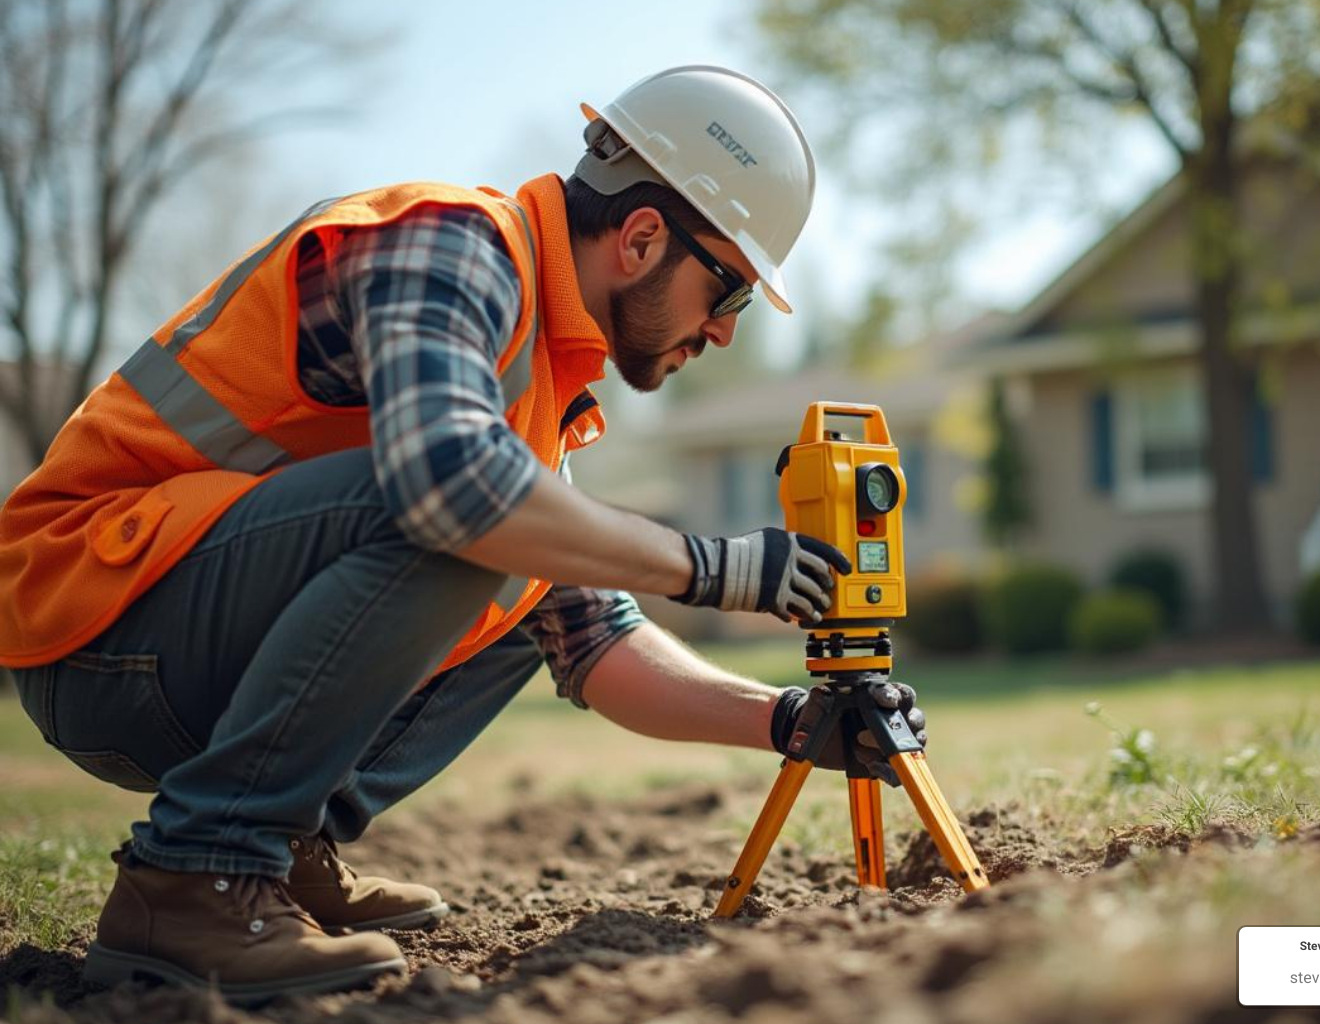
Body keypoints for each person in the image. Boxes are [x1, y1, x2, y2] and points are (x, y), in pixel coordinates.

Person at [0, 65, 925, 1003]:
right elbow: (450, 488)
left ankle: (275, 849)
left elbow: (597, 642)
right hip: (92, 625)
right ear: (644, 237)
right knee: (479, 516)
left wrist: (790, 722)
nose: (724, 332)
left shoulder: (533, 387)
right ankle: (198, 876)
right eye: (728, 294)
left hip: (171, 639)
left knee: (534, 544)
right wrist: (705, 567)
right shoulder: (449, 242)